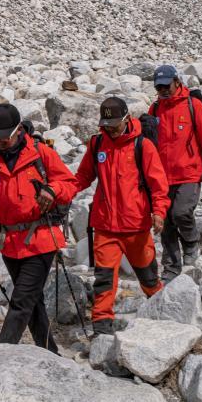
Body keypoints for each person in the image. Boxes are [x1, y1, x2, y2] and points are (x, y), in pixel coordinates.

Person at [0, 103, 76, 352]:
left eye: (5, 136)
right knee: (32, 302)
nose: (0, 142)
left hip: (42, 238)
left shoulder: (41, 153)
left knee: (20, 301)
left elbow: (69, 183)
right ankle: (49, 352)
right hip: (10, 244)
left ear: (19, 129)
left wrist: (53, 190)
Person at [74, 97, 171, 334]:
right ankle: (101, 327)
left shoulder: (143, 146)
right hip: (105, 226)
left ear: (127, 118)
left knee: (149, 278)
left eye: (114, 124)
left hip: (136, 226)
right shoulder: (97, 144)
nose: (110, 129)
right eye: (106, 125)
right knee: (104, 279)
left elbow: (158, 185)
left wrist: (159, 212)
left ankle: (165, 319)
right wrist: (60, 192)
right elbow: (83, 177)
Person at [148, 64, 202, 281]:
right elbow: (148, 144)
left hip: (190, 173)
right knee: (166, 223)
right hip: (162, 176)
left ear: (177, 82)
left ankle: (191, 241)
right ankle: (171, 268)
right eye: (159, 87)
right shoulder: (155, 109)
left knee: (181, 213)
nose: (163, 90)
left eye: (167, 86)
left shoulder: (193, 106)